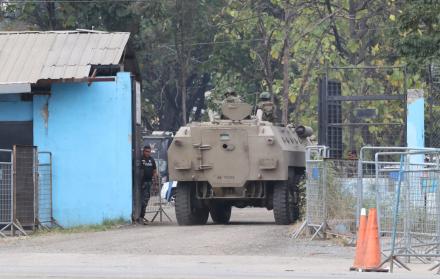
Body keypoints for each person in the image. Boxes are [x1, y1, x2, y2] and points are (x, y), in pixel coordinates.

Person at [138, 145, 157, 225]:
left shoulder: (151, 160)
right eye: (146, 151)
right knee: (140, 201)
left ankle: (142, 217)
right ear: (143, 151)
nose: (147, 153)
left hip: (148, 183)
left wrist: (155, 181)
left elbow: (154, 170)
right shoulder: (140, 159)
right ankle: (138, 217)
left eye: (149, 151)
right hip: (141, 183)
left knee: (145, 201)